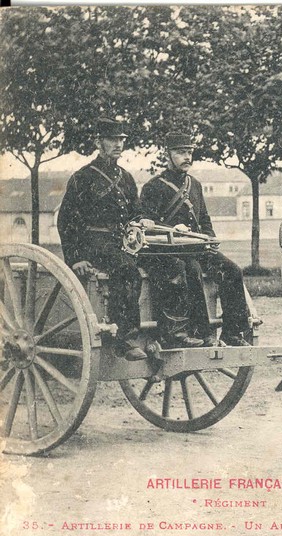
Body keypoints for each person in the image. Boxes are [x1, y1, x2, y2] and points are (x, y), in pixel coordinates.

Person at [57, 118, 199, 360]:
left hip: (125, 241)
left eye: (121, 140)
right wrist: (76, 258)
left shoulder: (126, 177)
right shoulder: (83, 177)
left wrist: (143, 220)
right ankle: (124, 338)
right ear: (98, 142)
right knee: (126, 268)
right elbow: (66, 221)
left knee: (171, 263)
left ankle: (172, 331)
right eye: (112, 140)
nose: (118, 144)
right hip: (95, 244)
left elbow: (134, 214)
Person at [140, 132, 251, 347]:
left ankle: (232, 332)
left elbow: (204, 219)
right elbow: (148, 225)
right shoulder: (153, 187)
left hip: (197, 247)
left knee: (233, 270)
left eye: (189, 152)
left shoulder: (195, 185)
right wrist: (173, 229)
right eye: (181, 152)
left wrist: (209, 238)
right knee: (189, 269)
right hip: (170, 250)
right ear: (167, 155)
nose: (187, 157)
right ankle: (190, 332)